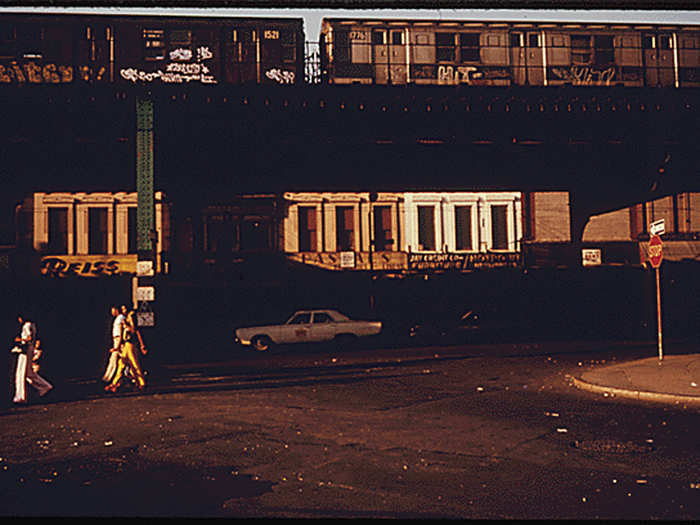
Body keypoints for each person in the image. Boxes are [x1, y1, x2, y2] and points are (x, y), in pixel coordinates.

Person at [12, 314, 52, 404]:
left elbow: (28, 338)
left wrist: (19, 340)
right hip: (29, 350)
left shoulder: (27, 325)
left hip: (25, 351)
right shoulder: (32, 325)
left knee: (20, 374)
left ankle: (20, 396)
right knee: (29, 373)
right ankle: (44, 386)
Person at [105, 310, 146, 392]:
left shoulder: (132, 328)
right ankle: (114, 383)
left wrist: (142, 346)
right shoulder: (127, 326)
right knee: (121, 364)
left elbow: (137, 334)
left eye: (130, 317)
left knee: (134, 364)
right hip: (126, 346)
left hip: (131, 346)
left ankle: (141, 383)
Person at [102, 306, 125, 385]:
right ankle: (106, 377)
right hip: (116, 339)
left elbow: (121, 331)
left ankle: (108, 378)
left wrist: (117, 345)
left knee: (114, 360)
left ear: (116, 310)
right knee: (114, 360)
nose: (112, 312)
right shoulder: (117, 318)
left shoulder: (121, 318)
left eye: (113, 310)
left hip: (118, 340)